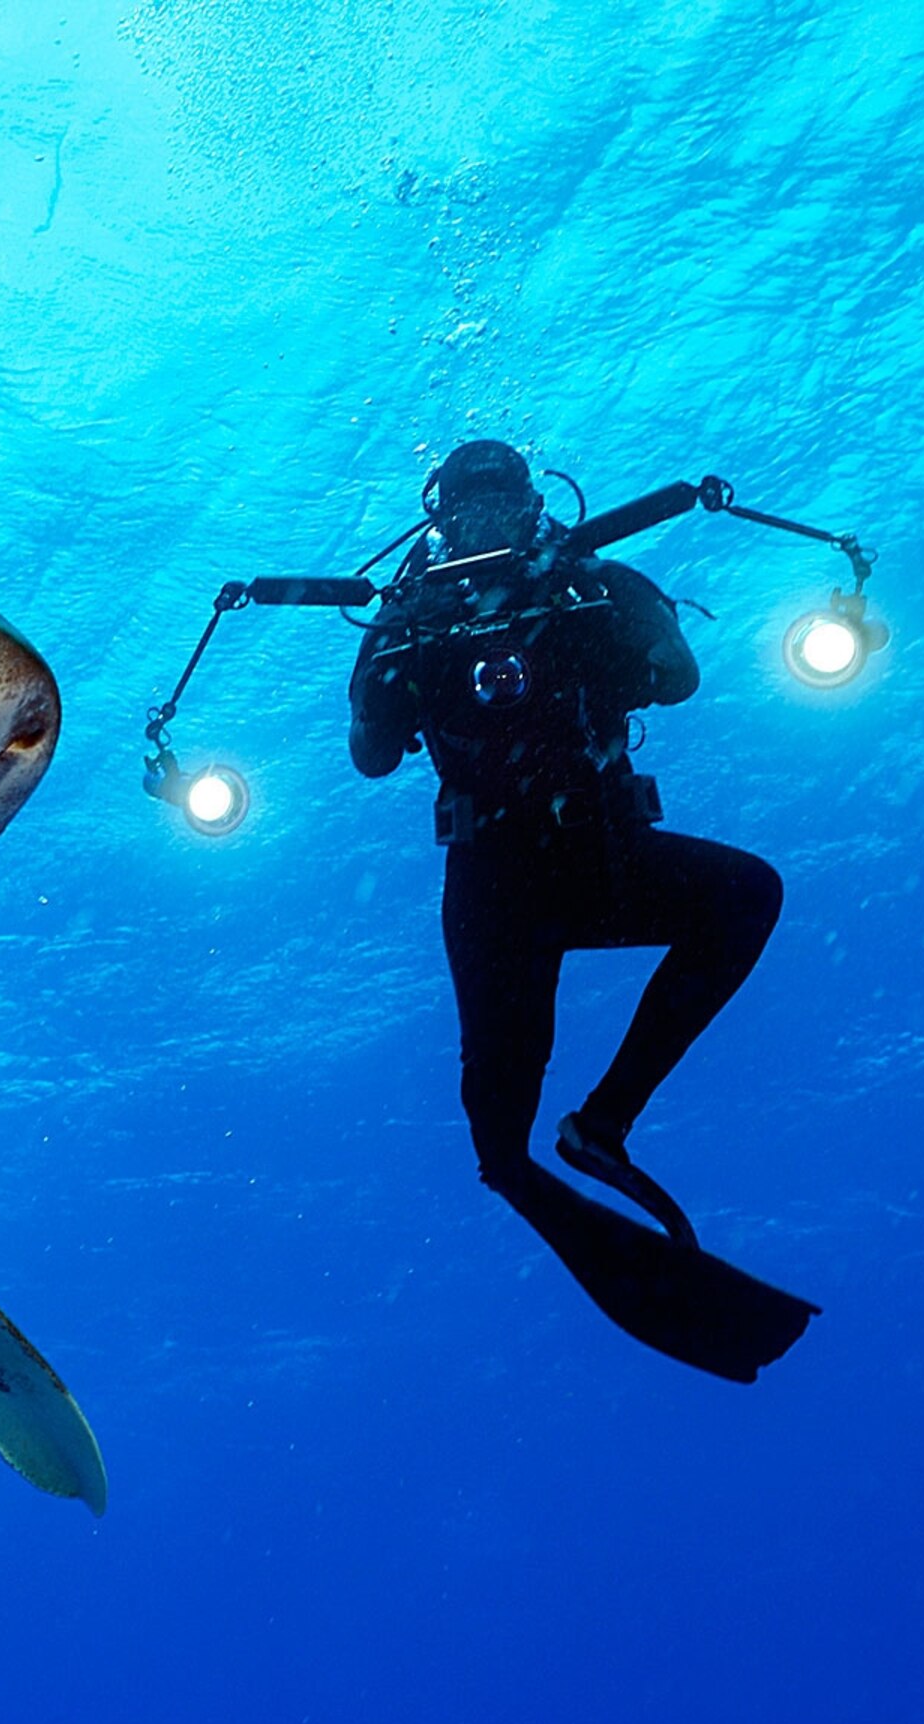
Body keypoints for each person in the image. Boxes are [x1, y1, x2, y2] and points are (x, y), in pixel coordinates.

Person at [348, 440, 808, 1373]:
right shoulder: (410, 620)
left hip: (603, 857)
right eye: (464, 510)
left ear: (532, 505)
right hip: (492, 889)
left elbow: (675, 677)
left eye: (500, 502)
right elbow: (369, 754)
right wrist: (396, 652)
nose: (483, 522)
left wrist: (591, 598)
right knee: (496, 1141)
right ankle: (550, 1183)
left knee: (748, 893)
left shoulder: (591, 583)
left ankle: (604, 1123)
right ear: (437, 524)